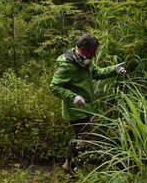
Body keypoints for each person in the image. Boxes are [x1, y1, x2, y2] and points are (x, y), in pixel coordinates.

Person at [49, 34, 126, 173]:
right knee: (83, 138)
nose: (94, 55)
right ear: (83, 49)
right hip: (75, 109)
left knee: (80, 137)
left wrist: (114, 69)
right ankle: (72, 168)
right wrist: (72, 97)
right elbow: (54, 86)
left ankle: (69, 165)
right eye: (92, 52)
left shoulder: (86, 60)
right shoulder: (67, 65)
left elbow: (97, 73)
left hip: (87, 107)